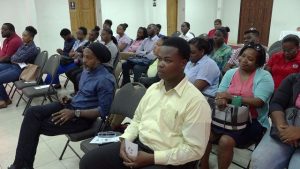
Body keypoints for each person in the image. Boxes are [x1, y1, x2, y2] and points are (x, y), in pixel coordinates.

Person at [79, 37, 211, 169]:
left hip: (168, 159)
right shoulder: (153, 89)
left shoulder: (196, 102)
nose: (160, 64)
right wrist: (125, 140)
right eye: (159, 59)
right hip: (139, 145)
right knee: (88, 162)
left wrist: (153, 158)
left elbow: (194, 150)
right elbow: (137, 120)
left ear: (183, 63)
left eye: (167, 60)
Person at [8, 42, 116, 169]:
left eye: (88, 57)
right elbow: (82, 94)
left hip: (82, 118)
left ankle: (21, 166)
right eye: (83, 56)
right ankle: (21, 165)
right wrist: (70, 98)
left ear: (99, 60)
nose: (84, 60)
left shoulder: (105, 80)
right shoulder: (87, 71)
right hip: (71, 105)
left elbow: (103, 112)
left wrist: (75, 113)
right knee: (31, 112)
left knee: (34, 126)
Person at [201, 43, 274, 169]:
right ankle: (204, 166)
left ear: (258, 63)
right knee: (202, 132)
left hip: (252, 121)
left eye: (250, 59)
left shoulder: (264, 77)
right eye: (243, 56)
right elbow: (220, 92)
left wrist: (232, 98)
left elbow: (259, 102)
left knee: (226, 141)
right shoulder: (231, 73)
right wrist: (220, 99)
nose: (244, 60)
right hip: (225, 116)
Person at [251, 73, 300, 169]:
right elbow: (277, 103)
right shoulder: (293, 79)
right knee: (261, 162)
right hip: (285, 128)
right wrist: (282, 127)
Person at [0, 26, 39, 108]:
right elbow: (14, 57)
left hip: (22, 71)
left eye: (25, 35)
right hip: (15, 66)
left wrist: (15, 58)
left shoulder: (32, 49)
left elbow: (17, 58)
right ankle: (6, 99)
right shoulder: (24, 45)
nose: (22, 37)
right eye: (22, 35)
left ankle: (3, 101)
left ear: (31, 37)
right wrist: (15, 58)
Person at [65, 26, 101, 93]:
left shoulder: (97, 45)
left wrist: (80, 57)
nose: (89, 36)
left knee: (77, 75)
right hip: (84, 64)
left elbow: (92, 58)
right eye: (89, 34)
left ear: (96, 36)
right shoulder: (88, 43)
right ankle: (77, 91)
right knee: (69, 72)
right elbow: (81, 54)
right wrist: (79, 55)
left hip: (91, 66)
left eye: (92, 35)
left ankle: (81, 92)